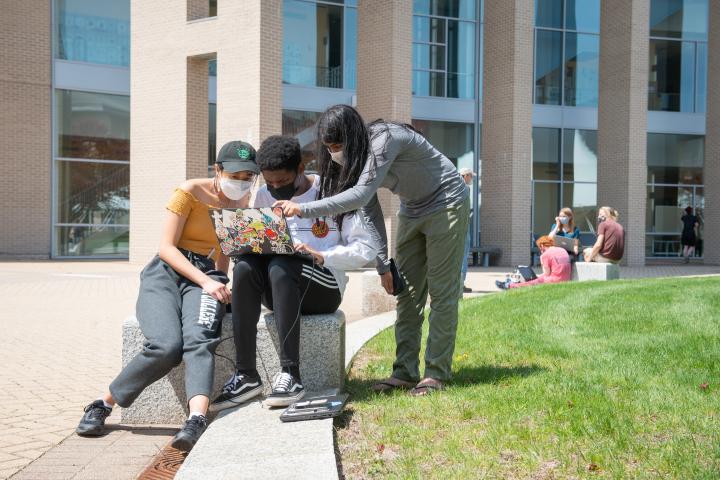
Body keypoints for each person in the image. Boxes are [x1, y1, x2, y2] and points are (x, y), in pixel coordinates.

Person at [75, 141, 259, 451]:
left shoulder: (242, 205)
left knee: (200, 339)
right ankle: (103, 403)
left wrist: (219, 281)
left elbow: (225, 251)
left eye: (248, 177)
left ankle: (196, 419)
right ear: (217, 170)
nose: (241, 183)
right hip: (166, 272)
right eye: (235, 175)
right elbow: (166, 247)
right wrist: (206, 281)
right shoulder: (188, 192)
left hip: (205, 277)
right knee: (167, 346)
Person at [275, 104, 470, 396]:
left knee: (442, 293)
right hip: (412, 208)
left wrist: (302, 209)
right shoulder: (353, 159)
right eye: (328, 146)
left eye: (338, 145)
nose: (333, 152)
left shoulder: (386, 139)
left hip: (447, 202)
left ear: (353, 136)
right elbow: (370, 211)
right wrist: (383, 265)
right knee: (406, 294)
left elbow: (360, 196)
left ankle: (435, 373)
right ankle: (404, 372)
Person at [210, 136, 377, 411]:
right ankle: (246, 375)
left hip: (323, 286)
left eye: (282, 182)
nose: (276, 188)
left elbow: (365, 249)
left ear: (300, 168)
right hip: (280, 286)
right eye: (270, 182)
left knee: (282, 265)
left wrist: (320, 254)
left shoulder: (331, 190)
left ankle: (291, 374)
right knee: (244, 268)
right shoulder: (264, 195)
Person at [496, 236, 571, 289]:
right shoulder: (562, 249)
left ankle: (509, 286)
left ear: (541, 245)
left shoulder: (545, 255)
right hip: (566, 278)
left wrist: (536, 277)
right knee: (537, 278)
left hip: (555, 280)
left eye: (539, 247)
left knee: (532, 282)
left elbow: (546, 274)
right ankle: (512, 283)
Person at [459, 167, 475, 293]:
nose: (472, 179)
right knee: (463, 255)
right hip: (462, 227)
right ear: (465, 176)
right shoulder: (464, 188)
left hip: (456, 226)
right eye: (471, 176)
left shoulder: (452, 187)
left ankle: (458, 283)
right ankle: (460, 283)